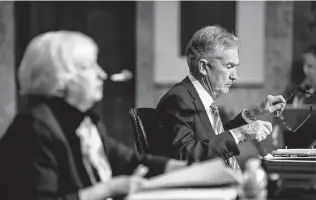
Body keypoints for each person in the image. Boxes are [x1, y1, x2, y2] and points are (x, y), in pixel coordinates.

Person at [0, 31, 187, 200]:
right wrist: (108, 189)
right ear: (59, 79)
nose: (102, 74)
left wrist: (190, 168)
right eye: (89, 66)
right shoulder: (33, 128)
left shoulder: (84, 121)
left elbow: (131, 162)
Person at [151, 25, 286, 169]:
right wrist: (240, 133)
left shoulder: (194, 97)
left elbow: (213, 139)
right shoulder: (177, 100)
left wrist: (252, 113)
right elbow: (183, 157)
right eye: (229, 66)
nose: (235, 76)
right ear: (204, 67)